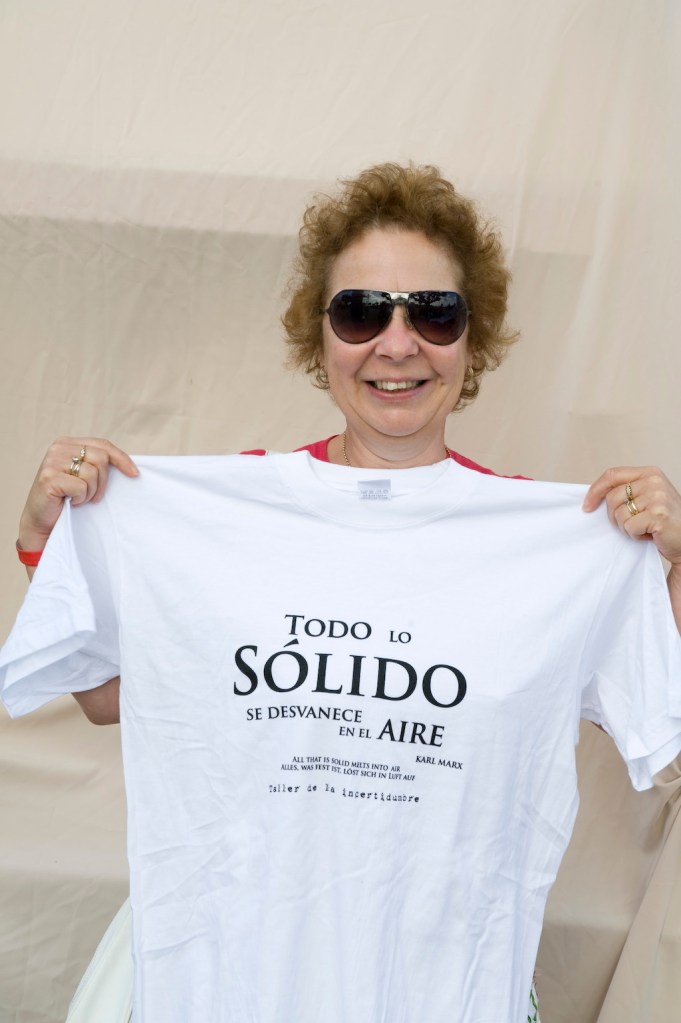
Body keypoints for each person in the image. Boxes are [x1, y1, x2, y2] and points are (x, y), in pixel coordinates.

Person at [3, 163, 681, 1023]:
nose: (396, 344)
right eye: (360, 312)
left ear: (470, 337)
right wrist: (50, 541)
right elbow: (109, 697)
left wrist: (673, 568)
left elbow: (655, 717)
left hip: (434, 983)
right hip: (223, 972)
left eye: (433, 312)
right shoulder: (217, 521)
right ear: (318, 335)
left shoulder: (554, 547)